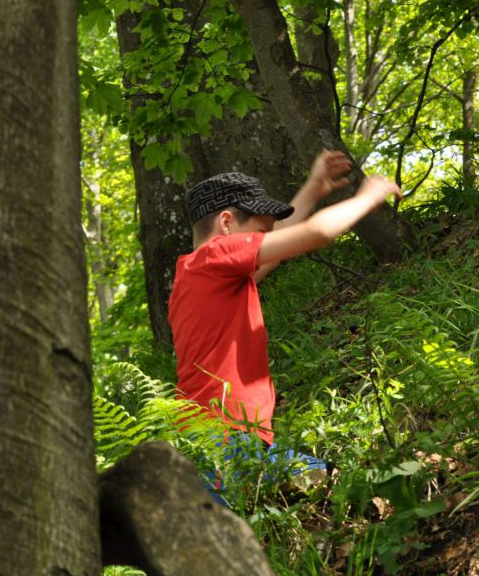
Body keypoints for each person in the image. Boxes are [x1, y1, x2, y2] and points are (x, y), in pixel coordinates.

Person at [168, 151, 400, 447]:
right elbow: (317, 232)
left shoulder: (197, 275)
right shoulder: (218, 255)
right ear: (226, 222)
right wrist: (367, 197)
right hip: (226, 438)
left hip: (210, 435)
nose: (265, 239)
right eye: (260, 233)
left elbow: (280, 246)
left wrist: (314, 188)